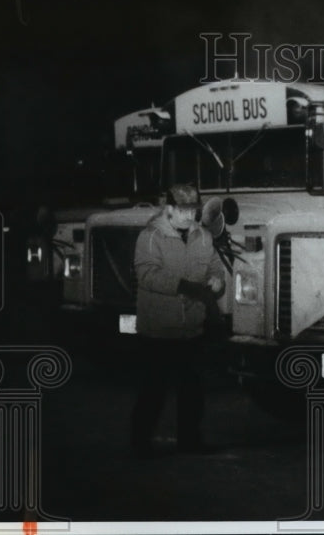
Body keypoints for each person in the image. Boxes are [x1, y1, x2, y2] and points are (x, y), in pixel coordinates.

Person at [131, 183, 224, 458]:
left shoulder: (203, 237)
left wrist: (217, 281)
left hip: (191, 330)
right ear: (169, 209)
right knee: (153, 391)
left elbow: (215, 267)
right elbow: (146, 275)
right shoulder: (151, 236)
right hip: (158, 331)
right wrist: (184, 286)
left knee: (192, 392)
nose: (189, 216)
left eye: (193, 210)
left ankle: (189, 441)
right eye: (183, 210)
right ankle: (140, 443)